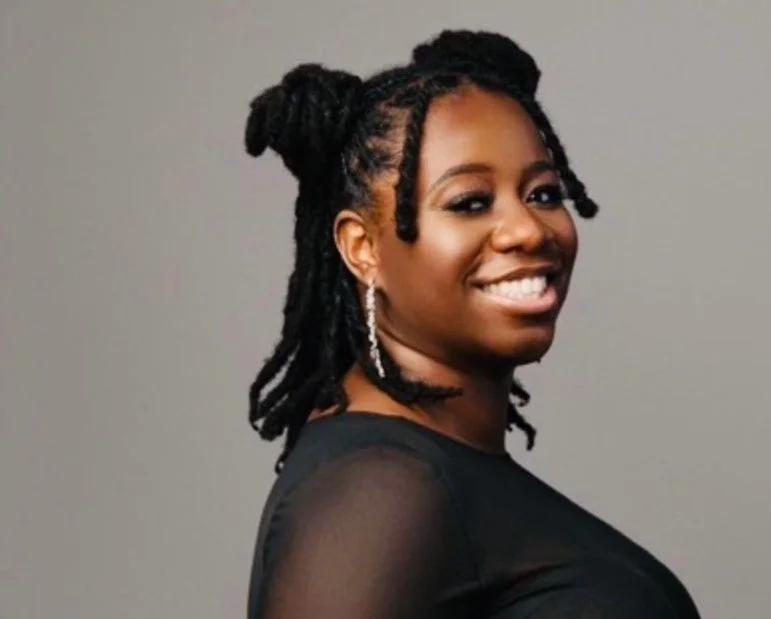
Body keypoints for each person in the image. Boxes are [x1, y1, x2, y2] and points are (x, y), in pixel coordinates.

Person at [242, 29, 702, 619]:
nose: (529, 230)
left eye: (542, 193)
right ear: (363, 248)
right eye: (469, 202)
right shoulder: (380, 491)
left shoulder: (432, 470)